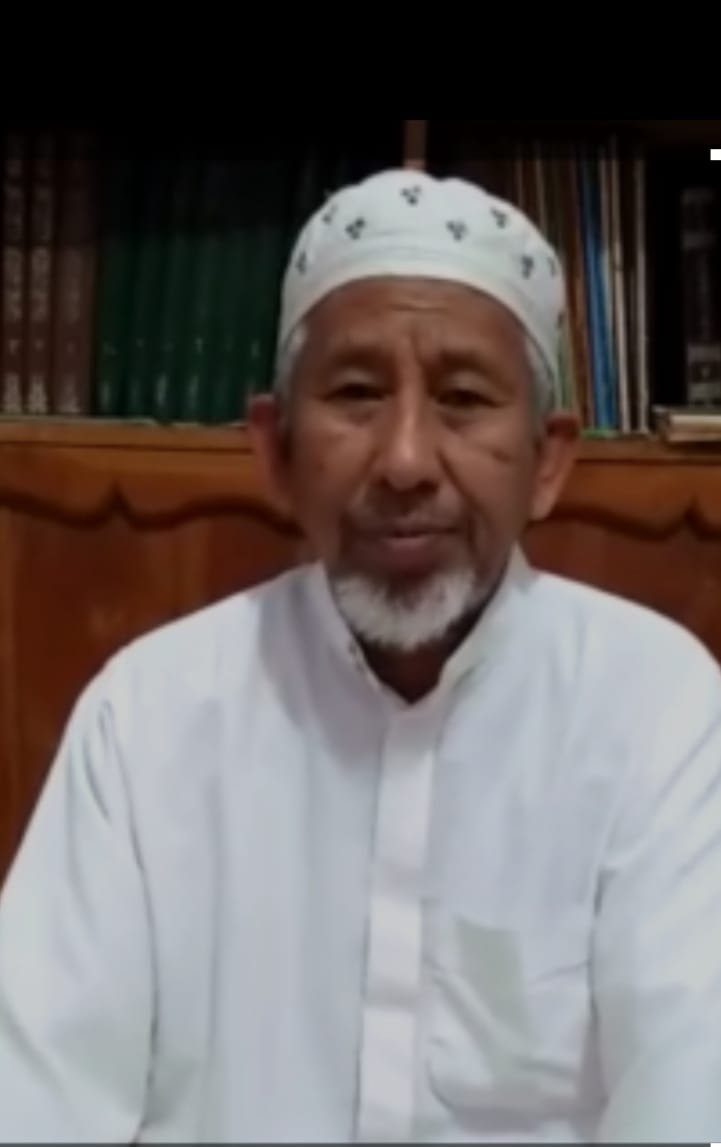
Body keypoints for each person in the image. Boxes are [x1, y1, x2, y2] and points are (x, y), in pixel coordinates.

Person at [2, 167, 721, 1143]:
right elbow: (34, 1096)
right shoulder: (148, 718)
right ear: (275, 449)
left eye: (462, 398)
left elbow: (690, 1087)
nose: (405, 460)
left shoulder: (657, 713)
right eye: (354, 393)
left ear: (547, 461)